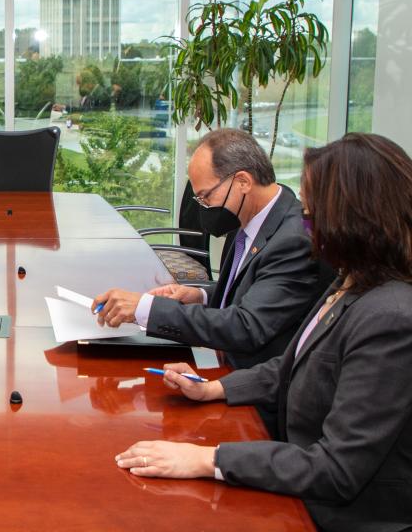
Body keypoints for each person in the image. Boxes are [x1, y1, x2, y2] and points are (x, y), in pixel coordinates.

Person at [114, 133, 412, 532]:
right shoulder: (353, 286)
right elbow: (294, 365)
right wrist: (215, 389)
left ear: (354, 220)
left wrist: (208, 460)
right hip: (303, 481)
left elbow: (337, 469)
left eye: (312, 217)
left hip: (342, 520)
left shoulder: (391, 317)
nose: (306, 228)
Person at [93, 128, 333, 369]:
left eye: (206, 196)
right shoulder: (255, 214)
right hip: (223, 363)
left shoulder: (293, 241)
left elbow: (247, 326)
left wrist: (146, 309)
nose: (204, 206)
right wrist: (201, 294)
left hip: (253, 385)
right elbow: (255, 285)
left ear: (243, 182)